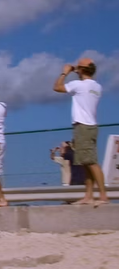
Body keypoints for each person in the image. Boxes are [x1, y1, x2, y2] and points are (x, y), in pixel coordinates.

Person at [54, 57, 110, 205]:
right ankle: (89, 195)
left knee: (91, 162)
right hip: (91, 126)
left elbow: (57, 87)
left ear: (82, 70)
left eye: (78, 67)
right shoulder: (97, 87)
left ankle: (103, 195)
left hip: (82, 126)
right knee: (86, 162)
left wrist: (65, 73)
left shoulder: (79, 85)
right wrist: (77, 70)